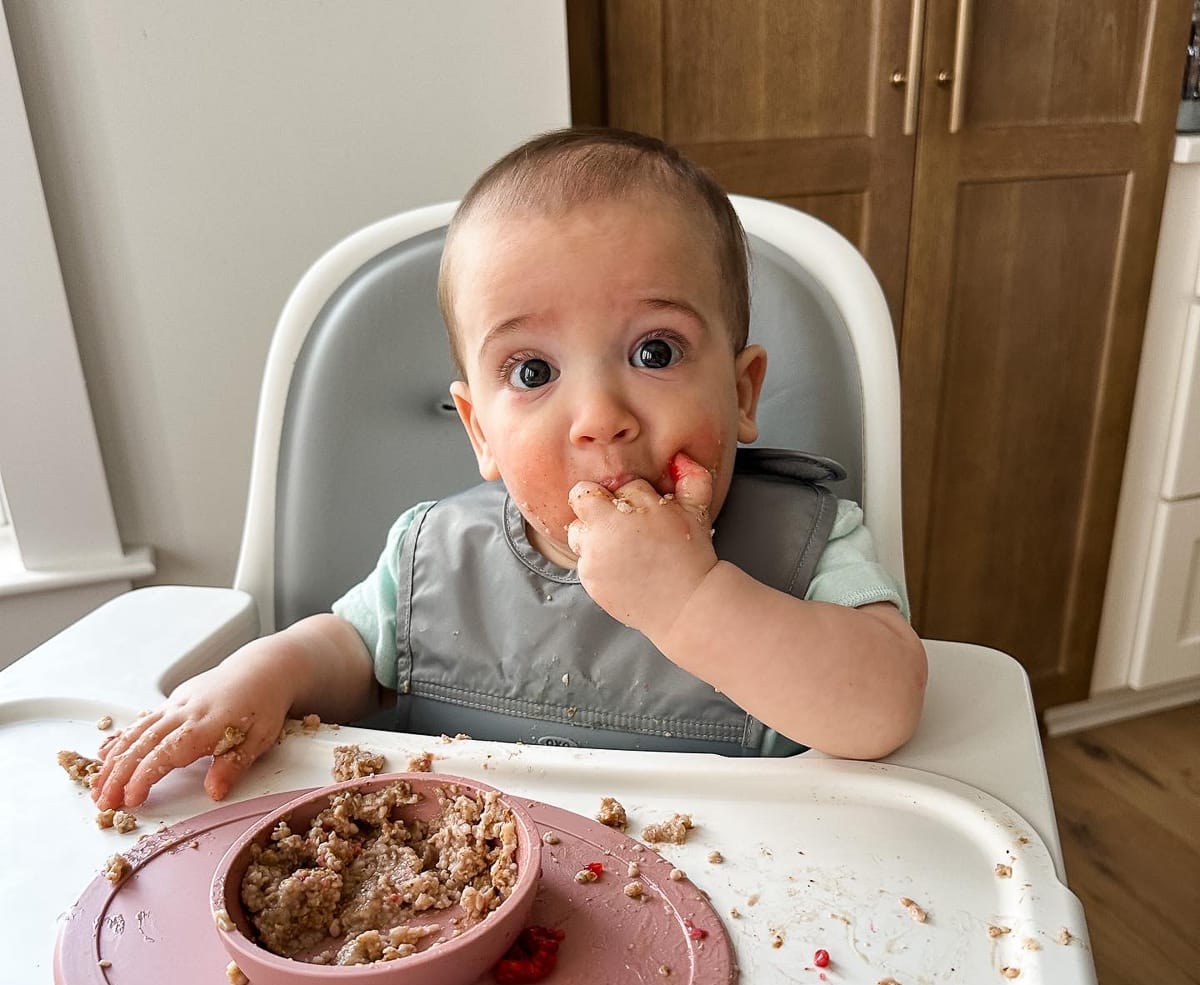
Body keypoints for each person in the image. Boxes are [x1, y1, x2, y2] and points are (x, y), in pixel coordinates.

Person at [92, 129, 926, 813]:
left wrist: (693, 599)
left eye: (655, 351)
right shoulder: (433, 559)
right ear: (478, 431)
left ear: (743, 393)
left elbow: (883, 708)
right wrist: (260, 676)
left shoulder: (803, 545)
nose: (600, 417)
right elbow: (345, 653)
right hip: (466, 925)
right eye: (532, 372)